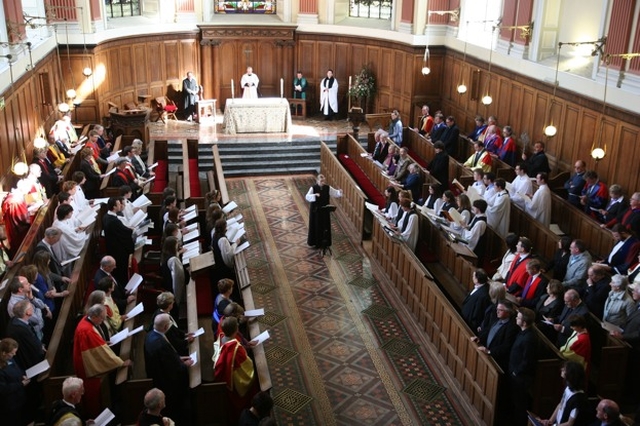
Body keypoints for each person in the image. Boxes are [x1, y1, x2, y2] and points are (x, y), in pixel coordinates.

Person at [73, 304, 130, 418]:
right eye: (102, 318)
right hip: (86, 366)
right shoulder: (86, 330)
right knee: (92, 395)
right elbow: (100, 353)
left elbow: (96, 343)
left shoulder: (87, 320)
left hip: (82, 358)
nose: (103, 321)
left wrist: (102, 342)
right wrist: (121, 363)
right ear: (94, 316)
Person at [144, 313, 192, 425]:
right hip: (166, 384)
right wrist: (185, 365)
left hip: (156, 375)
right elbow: (173, 369)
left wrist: (178, 358)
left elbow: (165, 360)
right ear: (165, 327)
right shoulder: (161, 344)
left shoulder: (150, 334)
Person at [214, 317, 258, 423]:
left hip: (226, 378)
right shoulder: (236, 349)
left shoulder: (221, 336)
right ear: (236, 330)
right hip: (234, 383)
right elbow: (247, 367)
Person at [508, 307, 538, 426]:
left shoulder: (529, 338)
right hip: (515, 374)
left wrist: (516, 372)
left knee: (520, 405)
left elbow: (527, 361)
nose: (516, 318)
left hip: (521, 378)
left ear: (524, 322)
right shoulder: (523, 332)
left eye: (518, 317)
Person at [471, 300, 519, 371]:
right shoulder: (496, 319)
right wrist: (479, 338)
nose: (497, 312)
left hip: (496, 360)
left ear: (508, 312)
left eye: (500, 310)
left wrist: (489, 351)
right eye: (497, 309)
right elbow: (488, 331)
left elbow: (506, 346)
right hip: (486, 354)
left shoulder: (511, 328)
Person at [538, 361, 590, 426]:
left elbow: (570, 423)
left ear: (571, 375)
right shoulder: (568, 387)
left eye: (565, 369)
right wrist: (550, 421)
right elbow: (560, 405)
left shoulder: (578, 399)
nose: (561, 369)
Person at [5, 300, 45, 371]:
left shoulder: (15, 320)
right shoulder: (21, 330)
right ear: (28, 312)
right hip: (30, 361)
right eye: (31, 307)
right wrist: (40, 347)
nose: (33, 308)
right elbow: (33, 346)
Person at [102, 197, 134, 286]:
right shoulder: (114, 221)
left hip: (112, 248)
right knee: (121, 271)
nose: (120, 205)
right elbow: (124, 233)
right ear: (114, 207)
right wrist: (131, 230)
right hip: (118, 251)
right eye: (119, 204)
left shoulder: (106, 216)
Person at [306, 174, 342, 251]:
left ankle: (325, 242)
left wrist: (339, 192)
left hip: (324, 210)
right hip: (316, 211)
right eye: (321, 181)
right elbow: (307, 196)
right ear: (317, 181)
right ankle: (315, 242)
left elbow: (335, 193)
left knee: (325, 226)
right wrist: (314, 195)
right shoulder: (313, 188)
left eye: (324, 181)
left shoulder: (327, 188)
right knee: (316, 226)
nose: (323, 182)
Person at [150, 292, 193, 357]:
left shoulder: (160, 311)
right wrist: (187, 341)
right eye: (172, 302)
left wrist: (184, 334)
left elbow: (174, 329)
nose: (173, 303)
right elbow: (174, 341)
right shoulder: (164, 321)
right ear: (169, 305)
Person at [0, 337, 30, 426]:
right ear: (4, 353)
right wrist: (21, 384)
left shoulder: (10, 358)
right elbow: (3, 389)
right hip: (9, 405)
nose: (15, 354)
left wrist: (22, 375)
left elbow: (16, 369)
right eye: (12, 353)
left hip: (19, 399)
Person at [160, 236, 188, 320]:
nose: (178, 246)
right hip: (172, 290)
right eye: (177, 245)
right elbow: (177, 279)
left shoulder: (166, 255)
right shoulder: (173, 260)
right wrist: (177, 298)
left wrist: (179, 253)